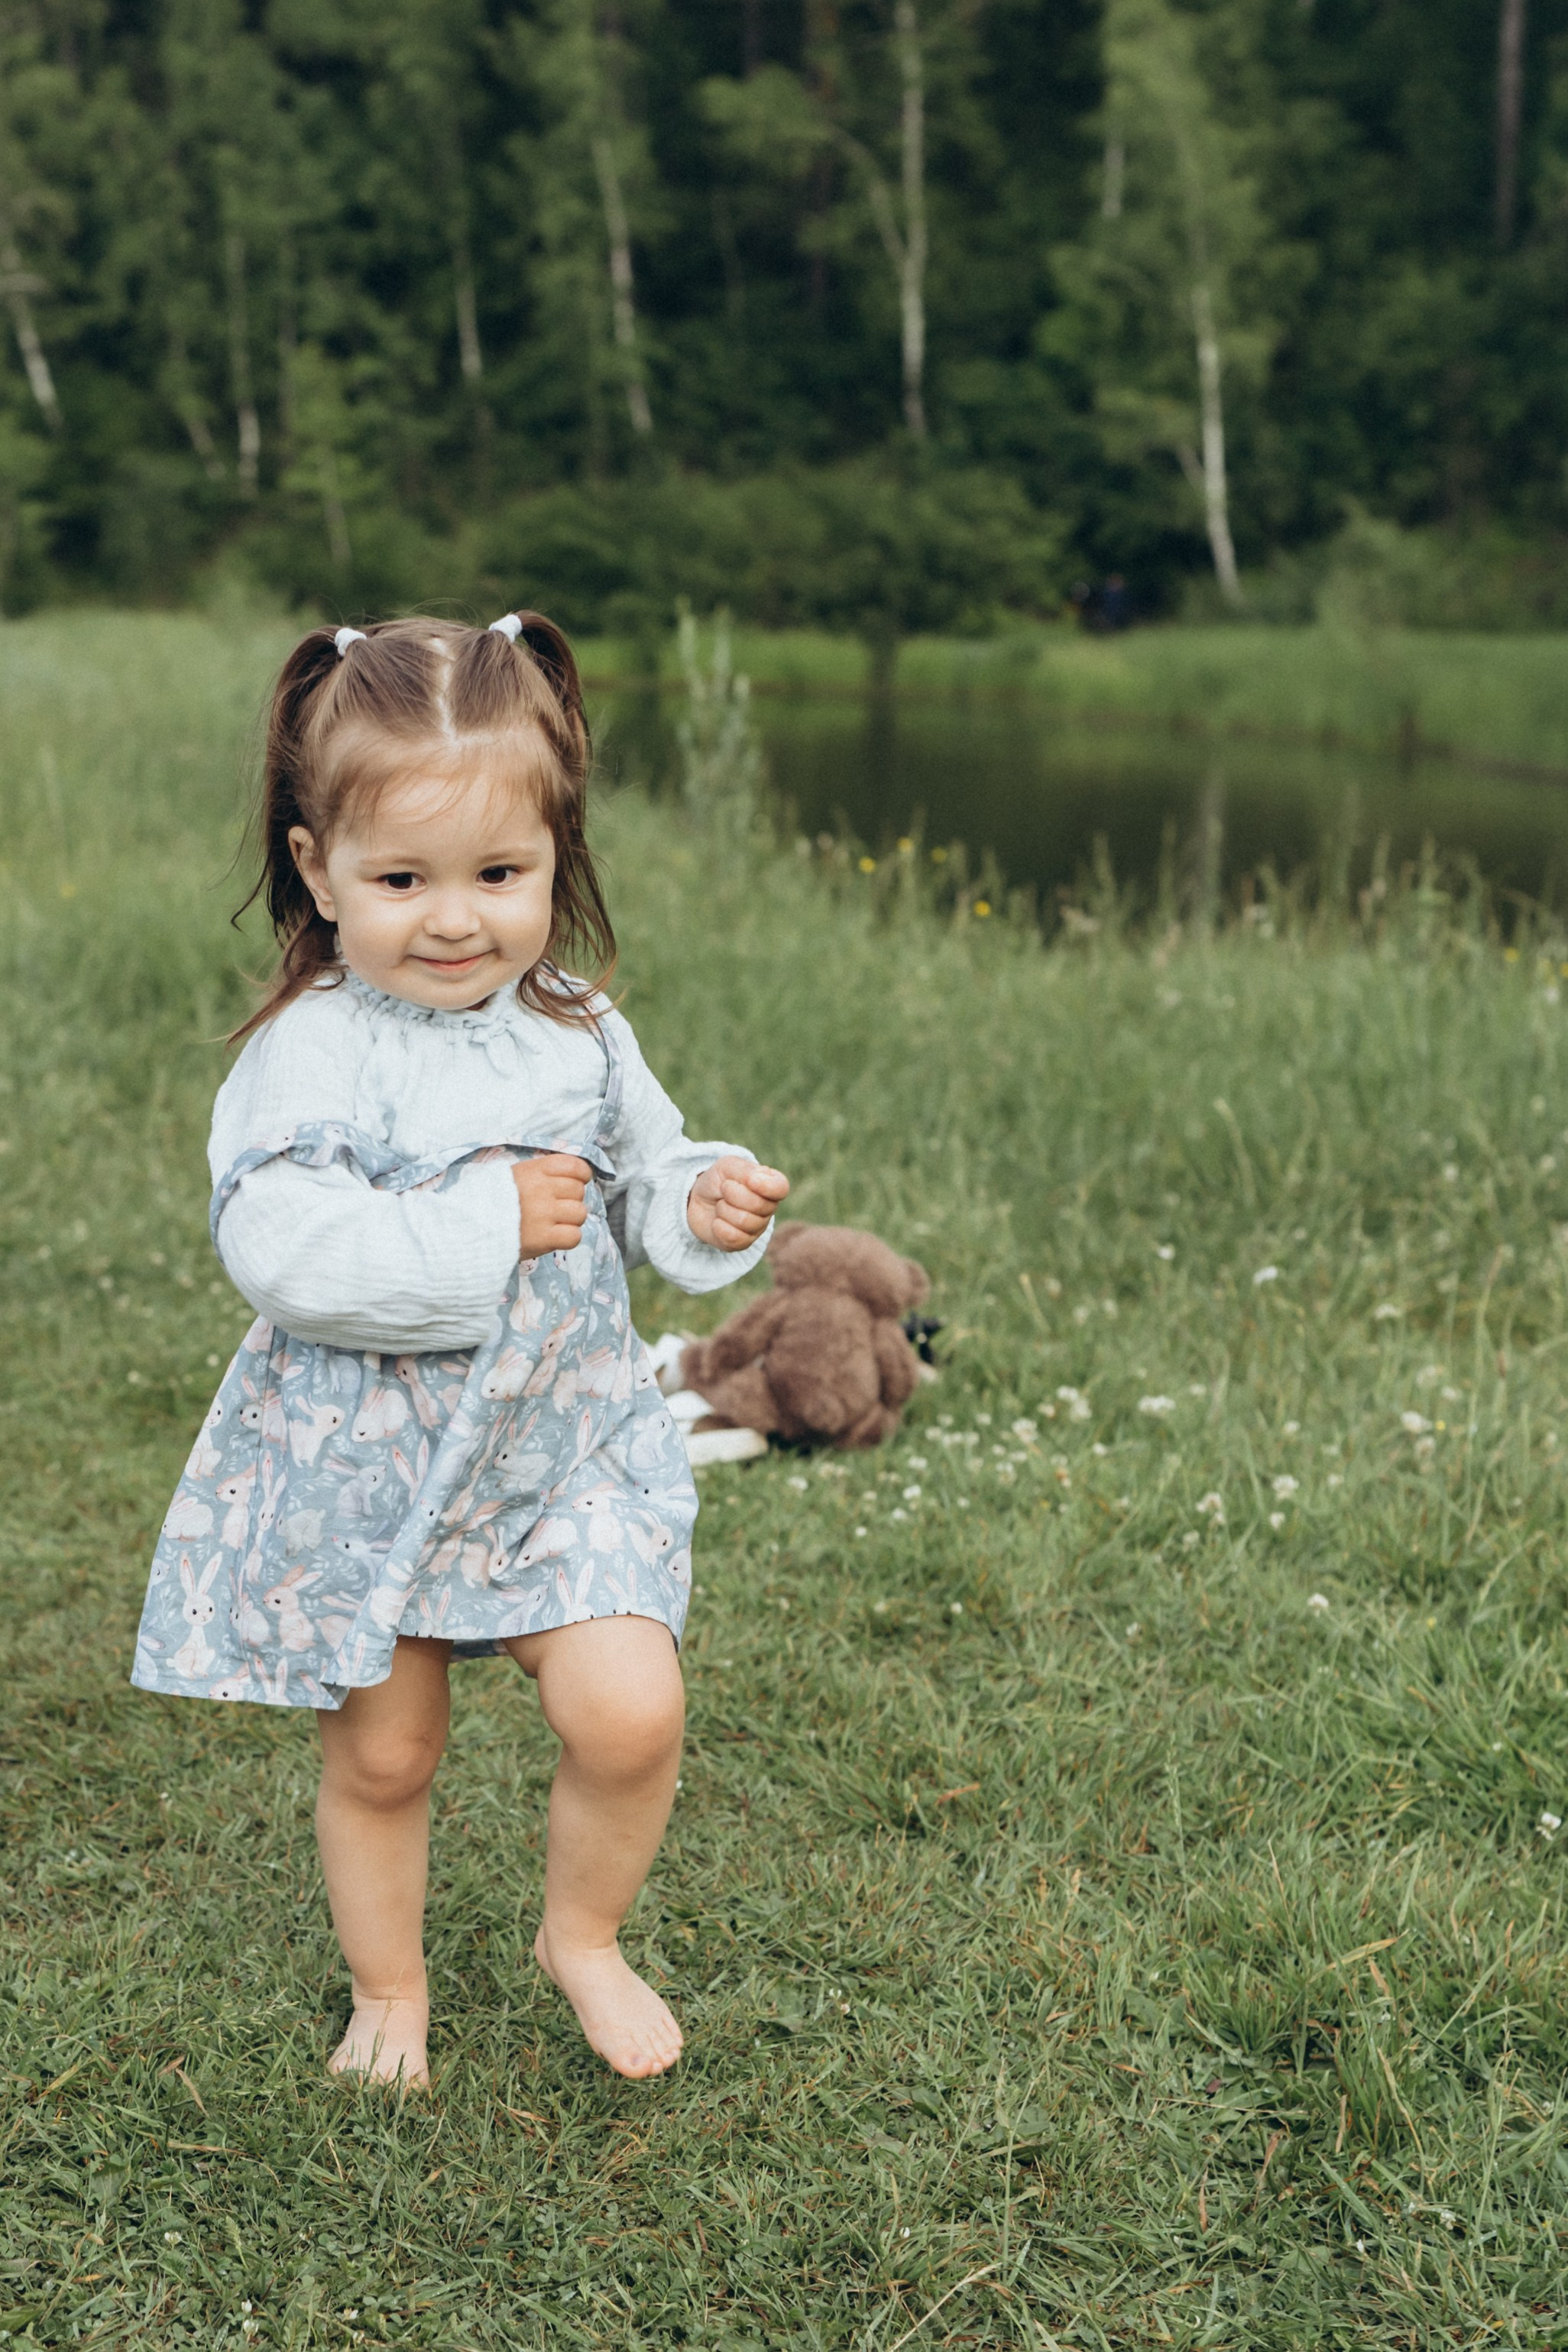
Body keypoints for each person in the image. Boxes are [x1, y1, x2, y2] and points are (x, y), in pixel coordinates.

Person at [131, 611, 789, 2088]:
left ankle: (584, 1933)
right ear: (317, 870)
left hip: (559, 1448)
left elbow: (643, 1174)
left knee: (631, 1707)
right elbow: (281, 1243)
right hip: (379, 1463)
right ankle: (391, 1987)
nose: (456, 919)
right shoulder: (312, 1047)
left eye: (501, 875)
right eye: (402, 878)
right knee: (387, 1753)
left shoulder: (575, 1028)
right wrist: (479, 1225)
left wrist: (700, 1200)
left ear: (557, 854)